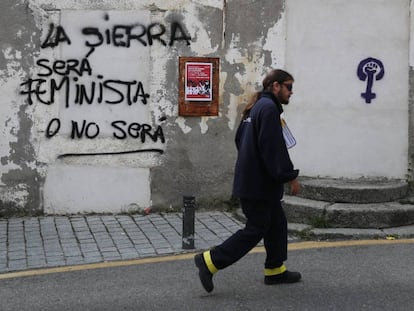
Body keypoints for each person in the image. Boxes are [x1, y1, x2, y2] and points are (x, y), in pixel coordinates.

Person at [194, 69, 301, 293]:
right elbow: (273, 149)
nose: (292, 92)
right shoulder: (269, 109)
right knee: (256, 228)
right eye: (289, 87)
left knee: (277, 223)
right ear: (276, 86)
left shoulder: (256, 107)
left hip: (254, 180)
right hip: (258, 184)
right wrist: (288, 176)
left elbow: (240, 139)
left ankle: (275, 269)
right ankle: (210, 261)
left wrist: (250, 164)